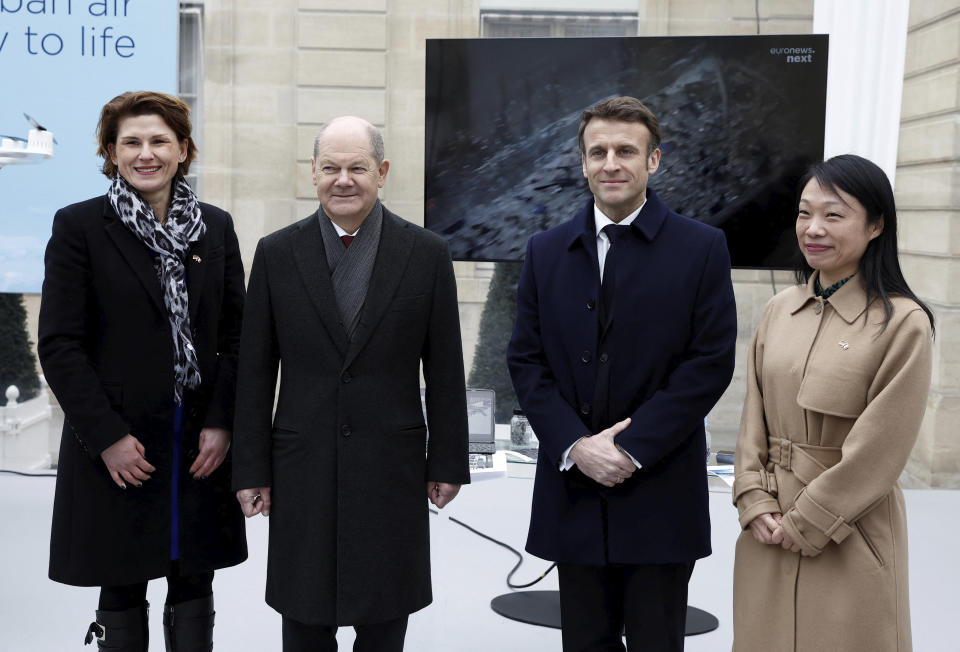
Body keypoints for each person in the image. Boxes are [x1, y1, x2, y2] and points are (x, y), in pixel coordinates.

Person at [507, 96, 737, 651]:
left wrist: (629, 449)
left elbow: (709, 364)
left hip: (659, 493)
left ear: (653, 161)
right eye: (598, 151)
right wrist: (576, 445)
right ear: (583, 163)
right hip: (574, 493)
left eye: (626, 151)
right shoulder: (545, 251)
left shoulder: (702, 248)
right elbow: (526, 361)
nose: (611, 163)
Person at [232, 115, 469, 652]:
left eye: (357, 167)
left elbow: (447, 369)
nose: (344, 179)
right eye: (331, 168)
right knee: (304, 621)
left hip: (392, 464)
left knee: (385, 622)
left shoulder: (426, 253)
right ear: (312, 174)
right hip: (302, 463)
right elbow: (254, 372)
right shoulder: (276, 253)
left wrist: (448, 461)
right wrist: (251, 469)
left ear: (381, 173)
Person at [38, 91, 247, 651]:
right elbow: (59, 344)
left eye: (160, 141)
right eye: (131, 142)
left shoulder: (216, 228)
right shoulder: (81, 226)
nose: (145, 153)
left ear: (183, 149)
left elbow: (237, 337)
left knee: (193, 581)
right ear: (111, 151)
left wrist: (224, 422)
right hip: (121, 445)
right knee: (122, 586)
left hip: (199, 443)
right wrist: (107, 437)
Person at [732, 154, 934, 652]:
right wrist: (753, 499)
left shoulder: (902, 323)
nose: (813, 228)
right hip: (769, 526)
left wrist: (811, 520)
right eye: (804, 213)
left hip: (849, 529)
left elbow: (881, 449)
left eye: (834, 214)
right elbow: (751, 417)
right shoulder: (781, 310)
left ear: (876, 225)